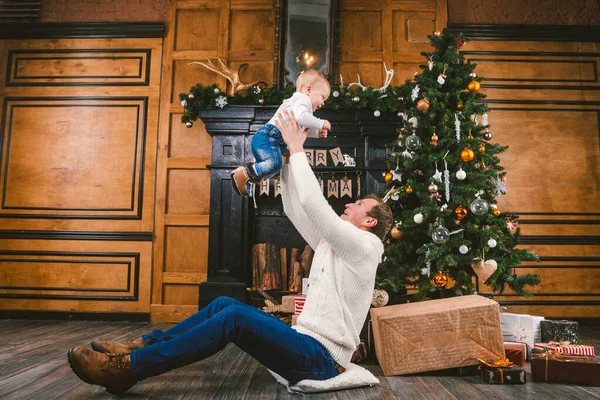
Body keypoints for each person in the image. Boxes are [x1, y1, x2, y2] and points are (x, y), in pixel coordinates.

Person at [66, 111, 393, 395]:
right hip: (304, 344)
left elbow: (313, 203)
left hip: (321, 359)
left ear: (370, 221)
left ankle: (128, 369)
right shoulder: (335, 243)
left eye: (359, 204)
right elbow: (295, 208)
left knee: (234, 318)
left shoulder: (366, 246)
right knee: (224, 304)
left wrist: (298, 147)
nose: (349, 203)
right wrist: (287, 158)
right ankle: (142, 346)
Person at [231, 69, 332, 196]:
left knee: (272, 168)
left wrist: (316, 133)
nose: (323, 103)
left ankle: (247, 176)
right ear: (309, 90)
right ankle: (244, 174)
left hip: (269, 140)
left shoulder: (299, 105)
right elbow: (301, 118)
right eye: (322, 97)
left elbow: (298, 127)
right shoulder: (302, 100)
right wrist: (321, 123)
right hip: (270, 137)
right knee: (274, 164)